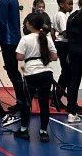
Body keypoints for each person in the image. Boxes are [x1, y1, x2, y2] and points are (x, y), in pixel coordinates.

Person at [14, 12, 59, 143]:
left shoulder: (25, 39)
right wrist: (42, 56)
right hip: (46, 73)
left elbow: (19, 57)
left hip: (31, 73)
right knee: (44, 103)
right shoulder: (47, 38)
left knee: (26, 103)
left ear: (30, 24)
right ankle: (43, 132)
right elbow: (54, 57)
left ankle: (24, 130)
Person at [0, 0, 27, 125]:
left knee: (13, 72)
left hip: (8, 40)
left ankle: (22, 101)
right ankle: (21, 100)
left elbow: (2, 21)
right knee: (14, 71)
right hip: (14, 38)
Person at [52, 0, 73, 110]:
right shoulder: (62, 16)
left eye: (72, 4)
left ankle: (59, 98)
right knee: (66, 73)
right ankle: (57, 98)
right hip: (64, 45)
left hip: (60, 44)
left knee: (66, 73)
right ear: (61, 4)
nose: (71, 6)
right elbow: (65, 33)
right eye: (68, 4)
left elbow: (52, 31)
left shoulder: (57, 14)